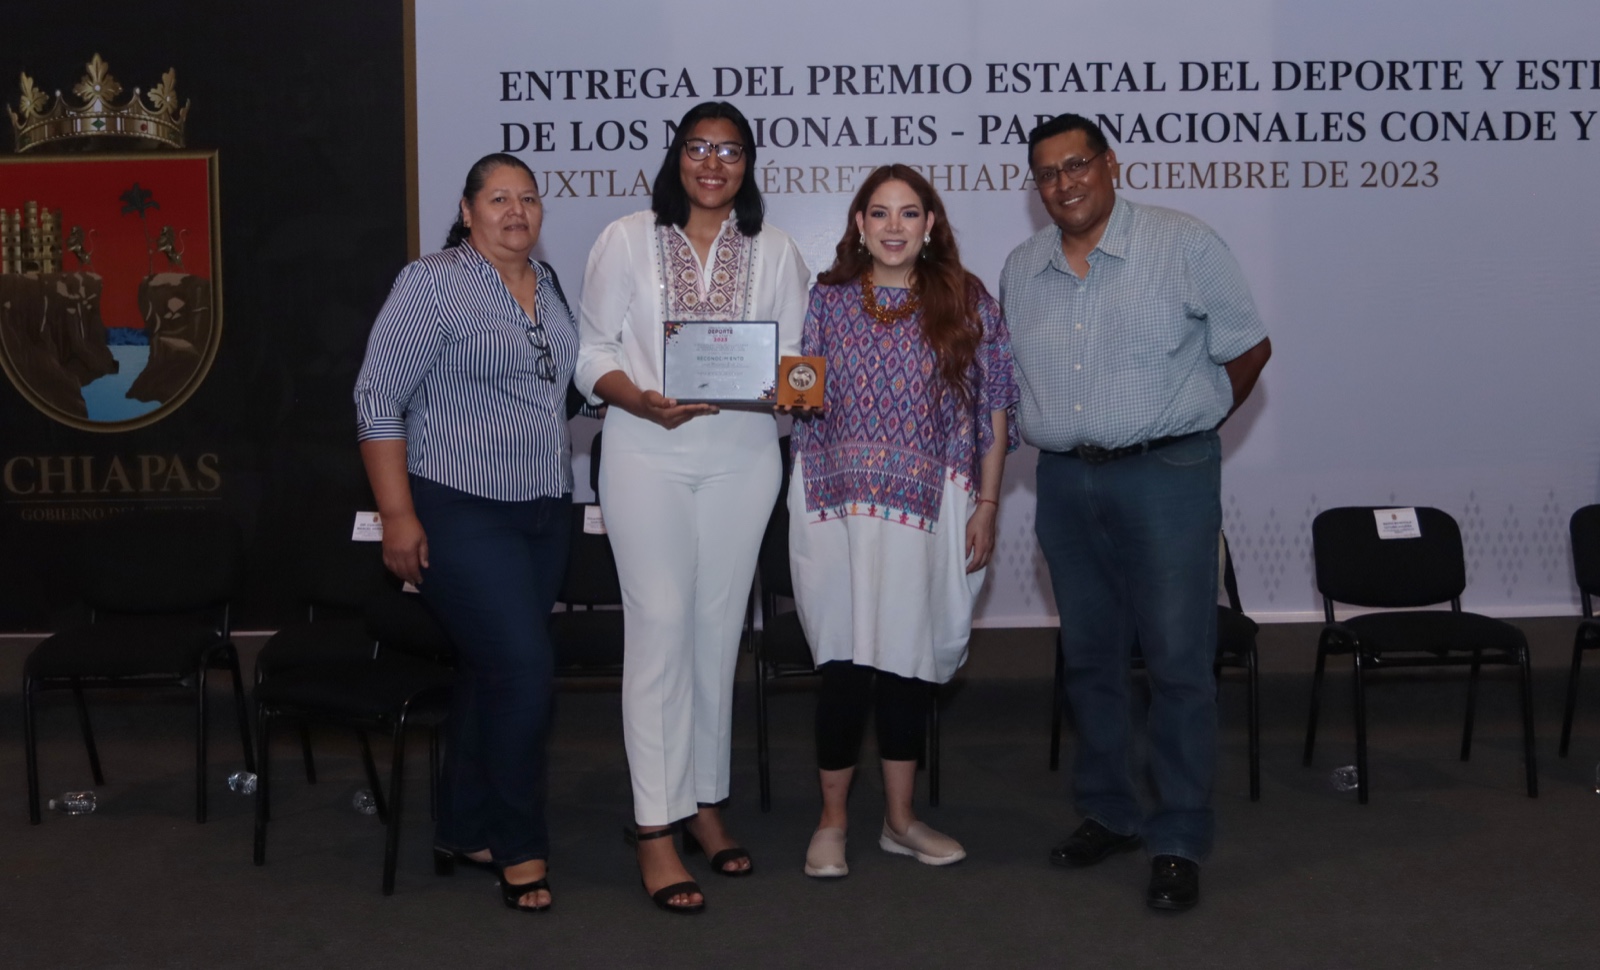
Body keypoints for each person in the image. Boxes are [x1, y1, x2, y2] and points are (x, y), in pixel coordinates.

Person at [1000, 113, 1271, 912]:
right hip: (1064, 481)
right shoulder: (1023, 267)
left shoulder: (1184, 243)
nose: (1064, 184)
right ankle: (1110, 811)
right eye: (1047, 174)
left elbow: (1248, 346)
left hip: (1167, 476)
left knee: (1180, 662)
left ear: (1112, 165)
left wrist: (1190, 431)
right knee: (1090, 659)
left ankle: (1180, 832)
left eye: (1077, 165)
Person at [574, 101, 810, 914]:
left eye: (732, 151)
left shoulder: (775, 250)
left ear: (748, 165)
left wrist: (799, 389)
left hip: (745, 460)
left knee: (716, 636)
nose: (714, 164)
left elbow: (791, 361)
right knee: (662, 626)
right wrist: (638, 400)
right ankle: (654, 825)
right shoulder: (625, 238)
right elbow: (591, 353)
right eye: (700, 148)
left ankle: (706, 803)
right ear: (678, 156)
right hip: (646, 455)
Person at [354, 153, 577, 913]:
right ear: (468, 208)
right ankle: (519, 844)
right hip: (458, 506)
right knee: (523, 669)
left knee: (490, 673)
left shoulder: (546, 285)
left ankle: (462, 825)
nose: (517, 211)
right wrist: (398, 514)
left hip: (544, 512)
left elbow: (559, 391)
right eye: (499, 198)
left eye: (529, 199)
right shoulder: (432, 282)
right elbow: (377, 398)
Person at [789, 165, 1018, 879]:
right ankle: (830, 824)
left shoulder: (967, 298)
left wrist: (987, 504)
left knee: (906, 670)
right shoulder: (826, 300)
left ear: (930, 226)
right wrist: (782, 393)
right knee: (846, 667)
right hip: (836, 506)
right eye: (879, 213)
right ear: (858, 225)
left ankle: (899, 820)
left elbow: (996, 412)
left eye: (909, 213)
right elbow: (804, 389)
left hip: (933, 507)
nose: (893, 226)